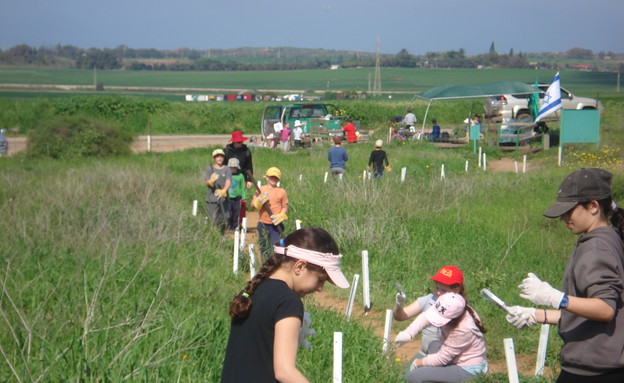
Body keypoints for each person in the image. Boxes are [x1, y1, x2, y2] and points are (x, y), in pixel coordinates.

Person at [506, 168, 624, 383]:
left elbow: (605, 309)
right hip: (599, 365)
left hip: (595, 371)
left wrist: (556, 298)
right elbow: (595, 313)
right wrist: (537, 314)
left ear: (593, 206)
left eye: (569, 210)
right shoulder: (610, 238)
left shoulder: (597, 247)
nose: (563, 217)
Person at [221, 227, 350, 383]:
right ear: (300, 266)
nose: (320, 288)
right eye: (320, 279)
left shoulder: (253, 290)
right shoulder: (288, 302)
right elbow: (285, 372)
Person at [395, 292, 488, 383]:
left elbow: (441, 359)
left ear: (453, 320)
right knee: (433, 345)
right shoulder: (449, 306)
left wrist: (417, 363)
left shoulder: (463, 330)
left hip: (467, 368)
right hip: (454, 357)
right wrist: (409, 333)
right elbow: (426, 317)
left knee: (415, 376)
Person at [394, 266, 466, 360]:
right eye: (437, 288)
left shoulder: (459, 309)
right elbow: (400, 316)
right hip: (424, 354)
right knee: (409, 373)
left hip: (448, 358)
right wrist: (399, 305)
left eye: (443, 290)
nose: (438, 293)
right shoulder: (429, 299)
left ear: (456, 290)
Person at [252, 167, 289, 259]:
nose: (273, 179)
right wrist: (258, 201)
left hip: (276, 225)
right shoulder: (260, 189)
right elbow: (253, 204)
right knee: (263, 247)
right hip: (263, 223)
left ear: (278, 179)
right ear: (266, 177)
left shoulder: (281, 191)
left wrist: (281, 215)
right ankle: (265, 264)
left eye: (275, 177)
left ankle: (274, 265)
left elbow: (285, 206)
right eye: (271, 177)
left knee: (275, 247)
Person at [205, 149, 231, 233]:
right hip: (212, 199)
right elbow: (206, 182)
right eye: (217, 157)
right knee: (213, 220)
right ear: (214, 158)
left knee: (224, 219)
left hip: (224, 199)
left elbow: (228, 181)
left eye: (221, 156)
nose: (219, 158)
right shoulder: (210, 169)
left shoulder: (227, 169)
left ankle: (222, 236)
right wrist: (211, 181)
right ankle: (214, 237)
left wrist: (224, 190)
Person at [227, 158, 248, 231]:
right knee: (229, 213)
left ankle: (235, 226)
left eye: (234, 168)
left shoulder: (240, 176)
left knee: (236, 213)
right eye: (231, 168)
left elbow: (243, 187)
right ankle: (229, 226)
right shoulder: (227, 175)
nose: (232, 169)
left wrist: (244, 197)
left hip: (237, 198)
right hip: (228, 197)